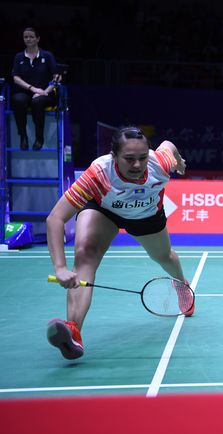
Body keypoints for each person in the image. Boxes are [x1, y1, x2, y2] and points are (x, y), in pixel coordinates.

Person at [45, 126, 193, 360]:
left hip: (146, 214)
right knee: (85, 253)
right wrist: (60, 267)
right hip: (105, 210)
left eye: (142, 157)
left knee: (164, 257)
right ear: (114, 155)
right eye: (129, 159)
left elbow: (168, 145)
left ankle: (181, 285)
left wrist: (180, 162)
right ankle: (73, 330)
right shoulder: (99, 173)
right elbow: (55, 218)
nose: (137, 165)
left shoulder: (159, 163)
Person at [11, 27, 61, 151]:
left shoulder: (47, 56)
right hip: (26, 92)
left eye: (31, 37)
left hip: (46, 93)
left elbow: (57, 77)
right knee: (18, 100)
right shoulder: (19, 57)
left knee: (37, 102)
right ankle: (23, 136)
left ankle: (39, 137)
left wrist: (45, 91)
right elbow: (16, 78)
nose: (28, 39)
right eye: (26, 37)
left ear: (38, 39)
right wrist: (33, 89)